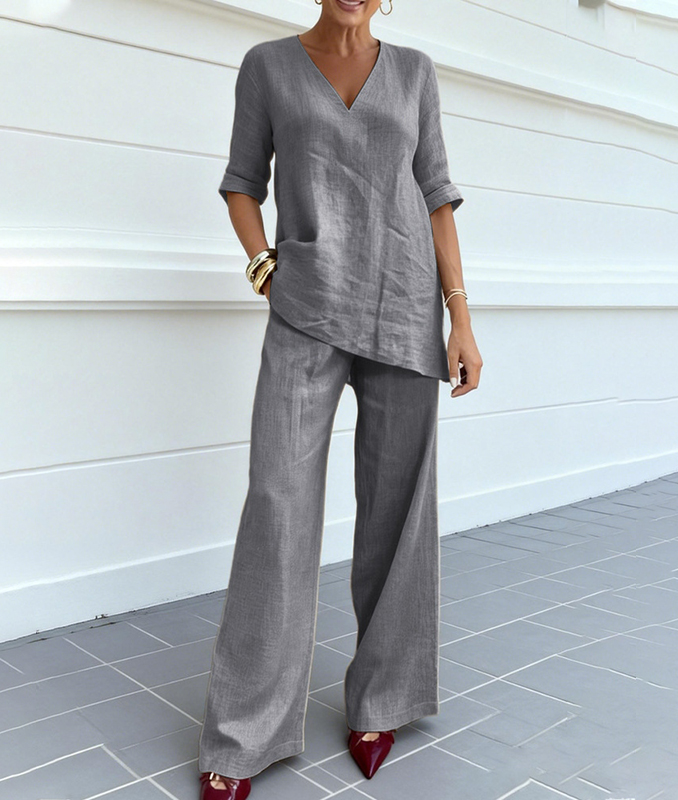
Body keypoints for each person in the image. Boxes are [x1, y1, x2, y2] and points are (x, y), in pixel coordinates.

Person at [199, 1, 482, 797]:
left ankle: (383, 700)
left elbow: (436, 195)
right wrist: (266, 269)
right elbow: (242, 185)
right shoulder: (268, 66)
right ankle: (244, 732)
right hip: (306, 311)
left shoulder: (415, 72)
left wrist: (461, 318)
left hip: (404, 309)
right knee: (278, 507)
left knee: (398, 511)